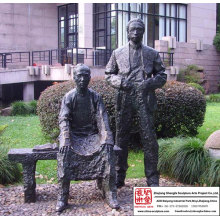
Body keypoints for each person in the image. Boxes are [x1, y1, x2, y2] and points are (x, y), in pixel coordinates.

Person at [105, 18, 167, 188]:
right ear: (127, 31)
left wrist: (149, 84)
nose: (136, 32)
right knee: (121, 137)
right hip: (124, 97)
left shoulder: (152, 53)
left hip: (144, 97)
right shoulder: (118, 53)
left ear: (143, 31)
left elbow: (162, 75)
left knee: (149, 138)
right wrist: (121, 83)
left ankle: (152, 178)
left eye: (139, 29)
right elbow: (109, 74)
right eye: (133, 29)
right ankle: (119, 174)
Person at [56, 63, 119, 212]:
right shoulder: (69, 97)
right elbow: (63, 119)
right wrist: (65, 138)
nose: (83, 79)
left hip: (92, 136)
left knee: (107, 150)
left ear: (90, 77)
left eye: (86, 75)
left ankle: (110, 193)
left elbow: (102, 118)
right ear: (74, 77)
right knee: (64, 153)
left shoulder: (95, 97)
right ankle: (62, 196)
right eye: (79, 76)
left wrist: (106, 138)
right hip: (74, 136)